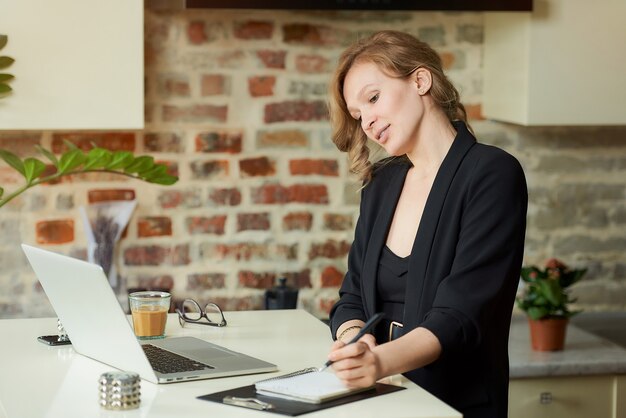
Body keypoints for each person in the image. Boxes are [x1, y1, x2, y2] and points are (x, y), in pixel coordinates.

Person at [326, 30, 528, 418]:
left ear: (420, 81)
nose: (367, 121)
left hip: (453, 406)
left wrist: (380, 362)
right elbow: (351, 296)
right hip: (381, 399)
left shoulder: (492, 174)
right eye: (358, 115)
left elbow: (460, 316)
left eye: (373, 98)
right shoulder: (381, 183)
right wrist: (355, 343)